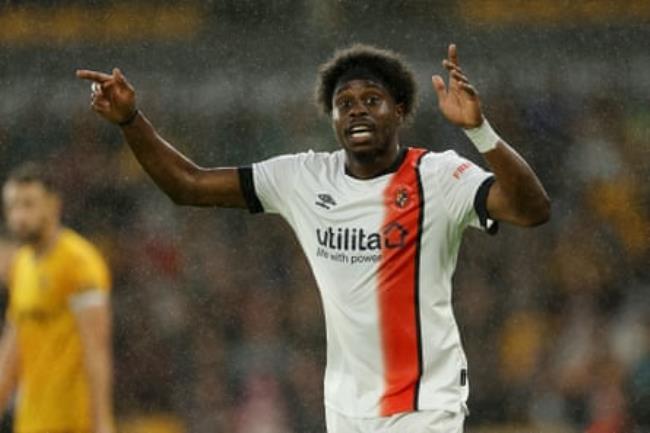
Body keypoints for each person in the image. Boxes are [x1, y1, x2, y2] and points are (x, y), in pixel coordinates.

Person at [77, 43, 550, 433]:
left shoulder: (439, 175)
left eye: (372, 100)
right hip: (345, 410)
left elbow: (532, 210)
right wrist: (130, 121)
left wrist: (480, 131)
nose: (357, 111)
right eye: (345, 104)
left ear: (400, 110)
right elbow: (189, 185)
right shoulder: (305, 178)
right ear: (332, 118)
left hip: (424, 406)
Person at [0, 163, 115, 433]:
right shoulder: (22, 265)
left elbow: (97, 350)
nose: (19, 216)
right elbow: (12, 350)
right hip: (31, 422)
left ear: (53, 206)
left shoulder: (80, 263)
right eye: (13, 206)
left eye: (28, 204)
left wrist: (103, 424)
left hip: (74, 422)